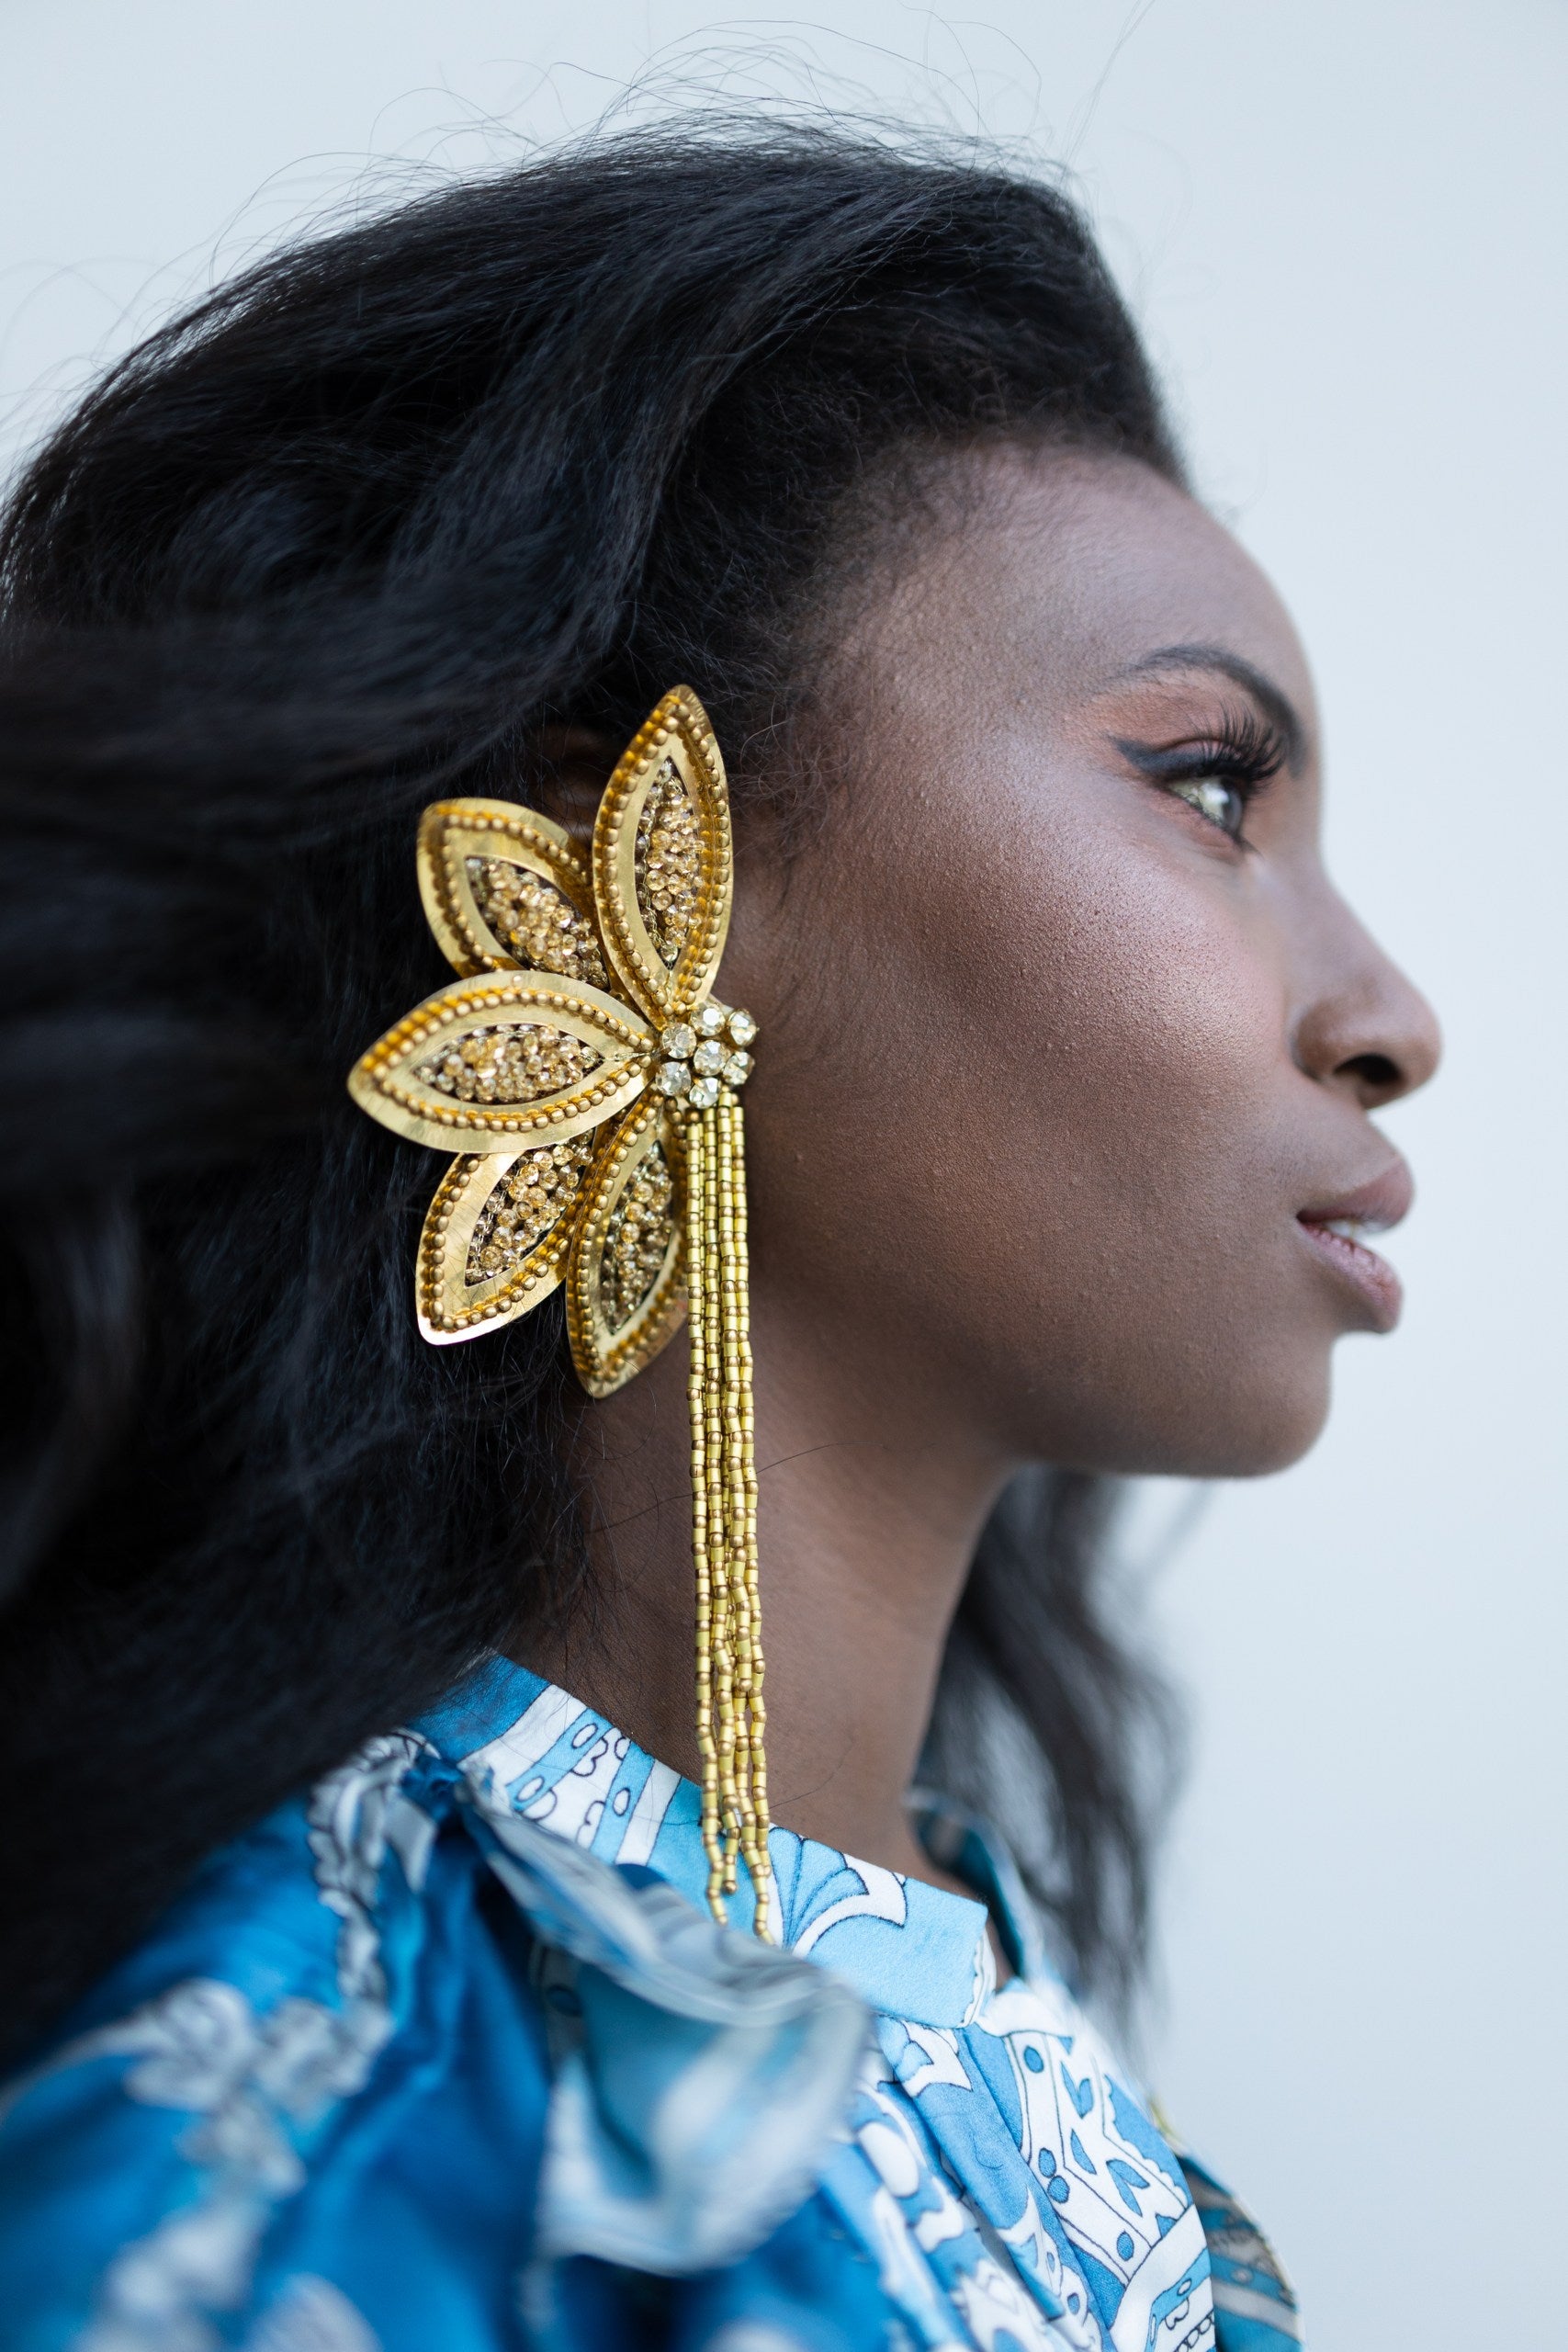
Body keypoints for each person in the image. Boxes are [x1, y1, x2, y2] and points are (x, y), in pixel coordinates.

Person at [0, 125, 1438, 2351]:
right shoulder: (288, 2132)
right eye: (1207, 787)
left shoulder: (1108, 2155)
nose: (1387, 1020)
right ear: (618, 857)